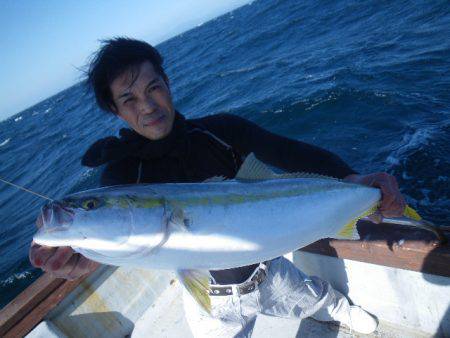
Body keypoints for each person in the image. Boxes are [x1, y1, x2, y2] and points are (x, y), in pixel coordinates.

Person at [29, 38, 406, 337]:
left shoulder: (222, 131)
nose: (147, 106)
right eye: (128, 99)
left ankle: (335, 307)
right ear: (115, 111)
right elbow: (124, 234)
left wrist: (355, 180)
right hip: (208, 298)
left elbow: (290, 152)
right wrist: (87, 256)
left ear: (167, 83)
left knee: (309, 297)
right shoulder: (121, 176)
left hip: (268, 268)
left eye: (153, 88)